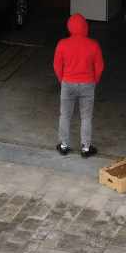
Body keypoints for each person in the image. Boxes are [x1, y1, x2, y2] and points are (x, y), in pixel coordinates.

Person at [53, 14, 104, 158]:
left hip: (68, 83)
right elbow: (99, 66)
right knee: (86, 117)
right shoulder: (93, 45)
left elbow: (57, 65)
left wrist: (62, 79)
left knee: (65, 115)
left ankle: (63, 146)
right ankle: (86, 148)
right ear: (85, 27)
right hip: (87, 84)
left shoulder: (62, 44)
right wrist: (94, 81)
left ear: (69, 27)